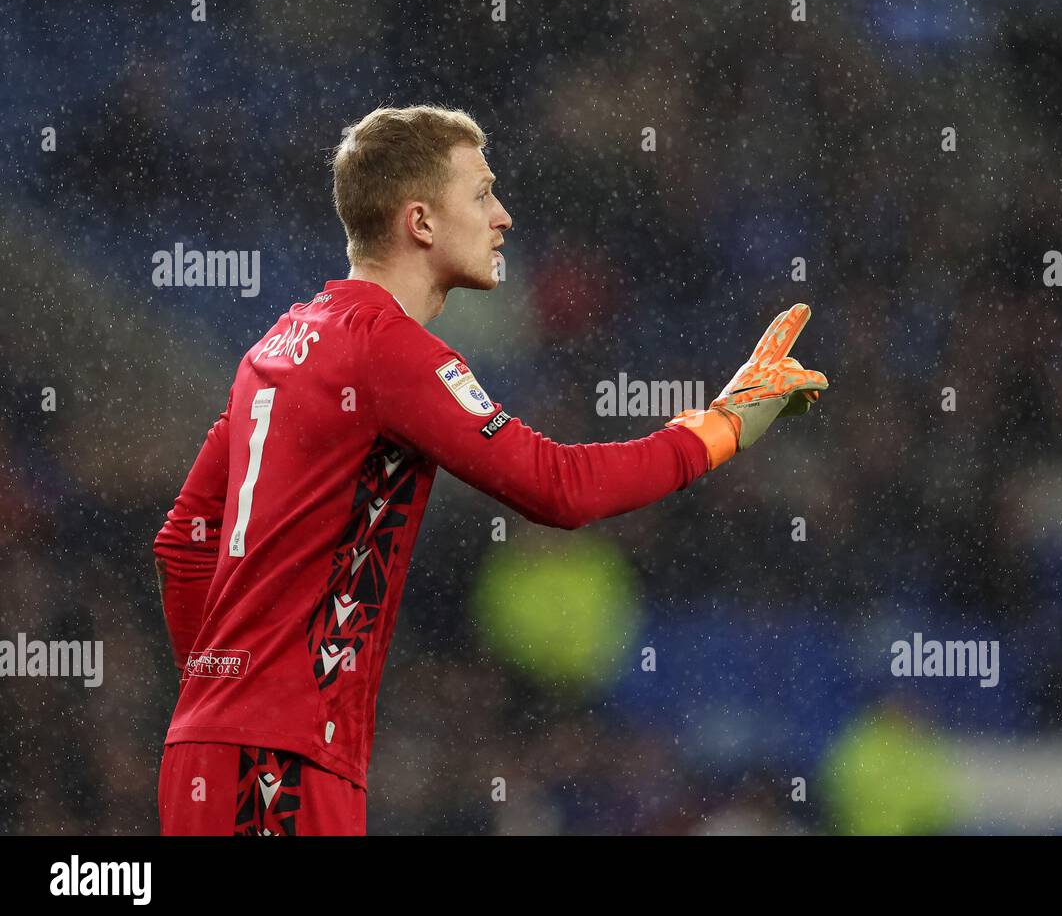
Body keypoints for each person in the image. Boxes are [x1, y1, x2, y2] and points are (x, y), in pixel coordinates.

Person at [152, 104, 828, 835]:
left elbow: (185, 542)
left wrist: (217, 696)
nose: (502, 216)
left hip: (222, 753)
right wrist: (724, 425)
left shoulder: (277, 346)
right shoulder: (388, 351)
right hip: (278, 768)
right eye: (480, 193)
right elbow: (560, 489)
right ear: (420, 222)